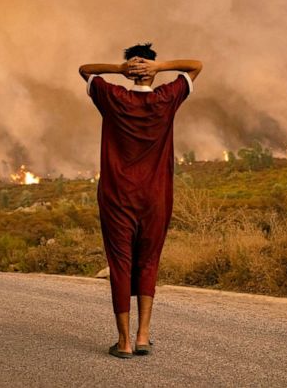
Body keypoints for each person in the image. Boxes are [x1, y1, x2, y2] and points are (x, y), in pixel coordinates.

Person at [79, 43, 202, 359]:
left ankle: (124, 342)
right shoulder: (167, 98)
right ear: (150, 68)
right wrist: (161, 68)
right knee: (149, 261)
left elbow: (85, 70)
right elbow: (196, 66)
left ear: (131, 70)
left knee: (120, 264)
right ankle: (144, 336)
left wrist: (118, 70)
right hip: (155, 198)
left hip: (117, 197)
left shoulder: (113, 97)